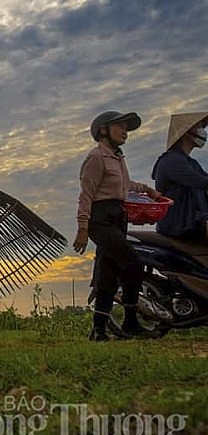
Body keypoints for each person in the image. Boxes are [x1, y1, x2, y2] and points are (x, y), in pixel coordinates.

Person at [73, 111, 162, 341]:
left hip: (117, 217)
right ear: (103, 130)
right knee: (133, 263)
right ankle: (131, 321)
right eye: (119, 126)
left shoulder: (118, 158)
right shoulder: (96, 157)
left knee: (108, 273)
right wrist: (83, 228)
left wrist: (147, 189)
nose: (125, 131)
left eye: (126, 127)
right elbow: (86, 194)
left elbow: (125, 185)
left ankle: (99, 330)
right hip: (100, 219)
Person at [151, 112, 208, 240]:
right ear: (187, 133)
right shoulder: (171, 160)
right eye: (198, 127)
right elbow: (201, 181)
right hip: (180, 224)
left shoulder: (191, 162)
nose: (203, 131)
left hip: (196, 221)